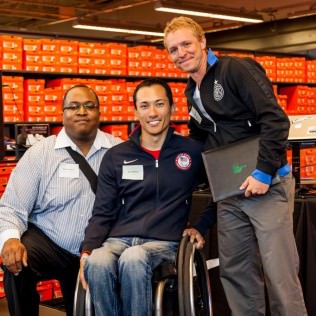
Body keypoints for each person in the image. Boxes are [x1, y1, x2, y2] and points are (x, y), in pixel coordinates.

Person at [164, 16, 307, 316]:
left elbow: (275, 119)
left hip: (266, 187)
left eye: (186, 44)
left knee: (280, 277)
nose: (181, 53)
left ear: (203, 42)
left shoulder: (236, 70)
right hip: (230, 195)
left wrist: (263, 171)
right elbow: (204, 145)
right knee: (236, 274)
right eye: (173, 49)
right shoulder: (192, 91)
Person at [80, 78, 215, 316]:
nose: (152, 113)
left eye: (159, 104)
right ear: (135, 111)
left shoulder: (191, 151)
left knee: (134, 257)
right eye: (144, 106)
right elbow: (102, 211)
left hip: (164, 242)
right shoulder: (116, 156)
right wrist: (88, 250)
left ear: (172, 109)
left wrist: (200, 226)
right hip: (118, 240)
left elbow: (220, 191)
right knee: (97, 262)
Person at [0, 84, 121, 316]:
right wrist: (10, 240)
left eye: (89, 106)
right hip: (50, 243)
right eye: (73, 106)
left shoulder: (118, 150)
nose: (81, 112)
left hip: (98, 248)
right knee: (18, 263)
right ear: (62, 113)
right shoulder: (40, 153)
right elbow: (12, 206)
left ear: (99, 112)